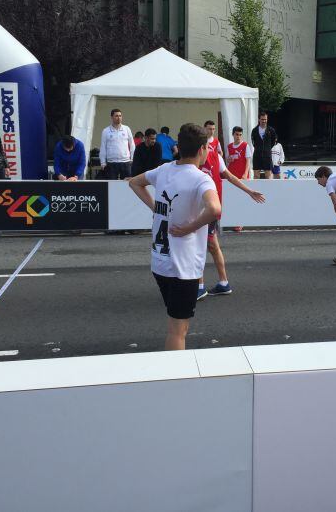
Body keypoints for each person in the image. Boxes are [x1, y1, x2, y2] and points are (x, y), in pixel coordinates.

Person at [127, 123, 221, 351]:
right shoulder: (201, 179)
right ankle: (176, 378)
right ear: (202, 149)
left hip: (160, 262)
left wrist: (157, 208)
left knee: (178, 325)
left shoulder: (164, 169)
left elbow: (134, 182)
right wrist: (191, 227)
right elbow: (215, 209)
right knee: (177, 331)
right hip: (183, 266)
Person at [197, 143, 265, 299]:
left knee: (200, 244)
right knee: (212, 245)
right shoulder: (208, 159)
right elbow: (229, 176)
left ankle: (200, 287)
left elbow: (229, 176)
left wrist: (249, 191)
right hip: (208, 208)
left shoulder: (212, 158)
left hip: (207, 209)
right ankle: (223, 283)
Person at [100, 109, 135, 180]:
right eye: (116, 116)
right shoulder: (106, 131)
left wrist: (132, 158)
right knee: (112, 184)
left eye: (120, 116)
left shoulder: (126, 129)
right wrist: (103, 162)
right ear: (112, 117)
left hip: (125, 162)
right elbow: (103, 147)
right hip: (111, 163)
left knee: (127, 184)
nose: (119, 118)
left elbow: (132, 144)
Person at [251, 111, 277, 179]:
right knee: (256, 176)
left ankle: (269, 189)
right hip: (257, 155)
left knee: (268, 176)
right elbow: (253, 142)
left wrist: (267, 148)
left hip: (267, 155)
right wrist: (259, 148)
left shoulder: (271, 130)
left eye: (265, 119)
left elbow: (273, 142)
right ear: (259, 119)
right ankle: (255, 189)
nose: (264, 121)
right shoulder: (254, 130)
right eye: (262, 119)